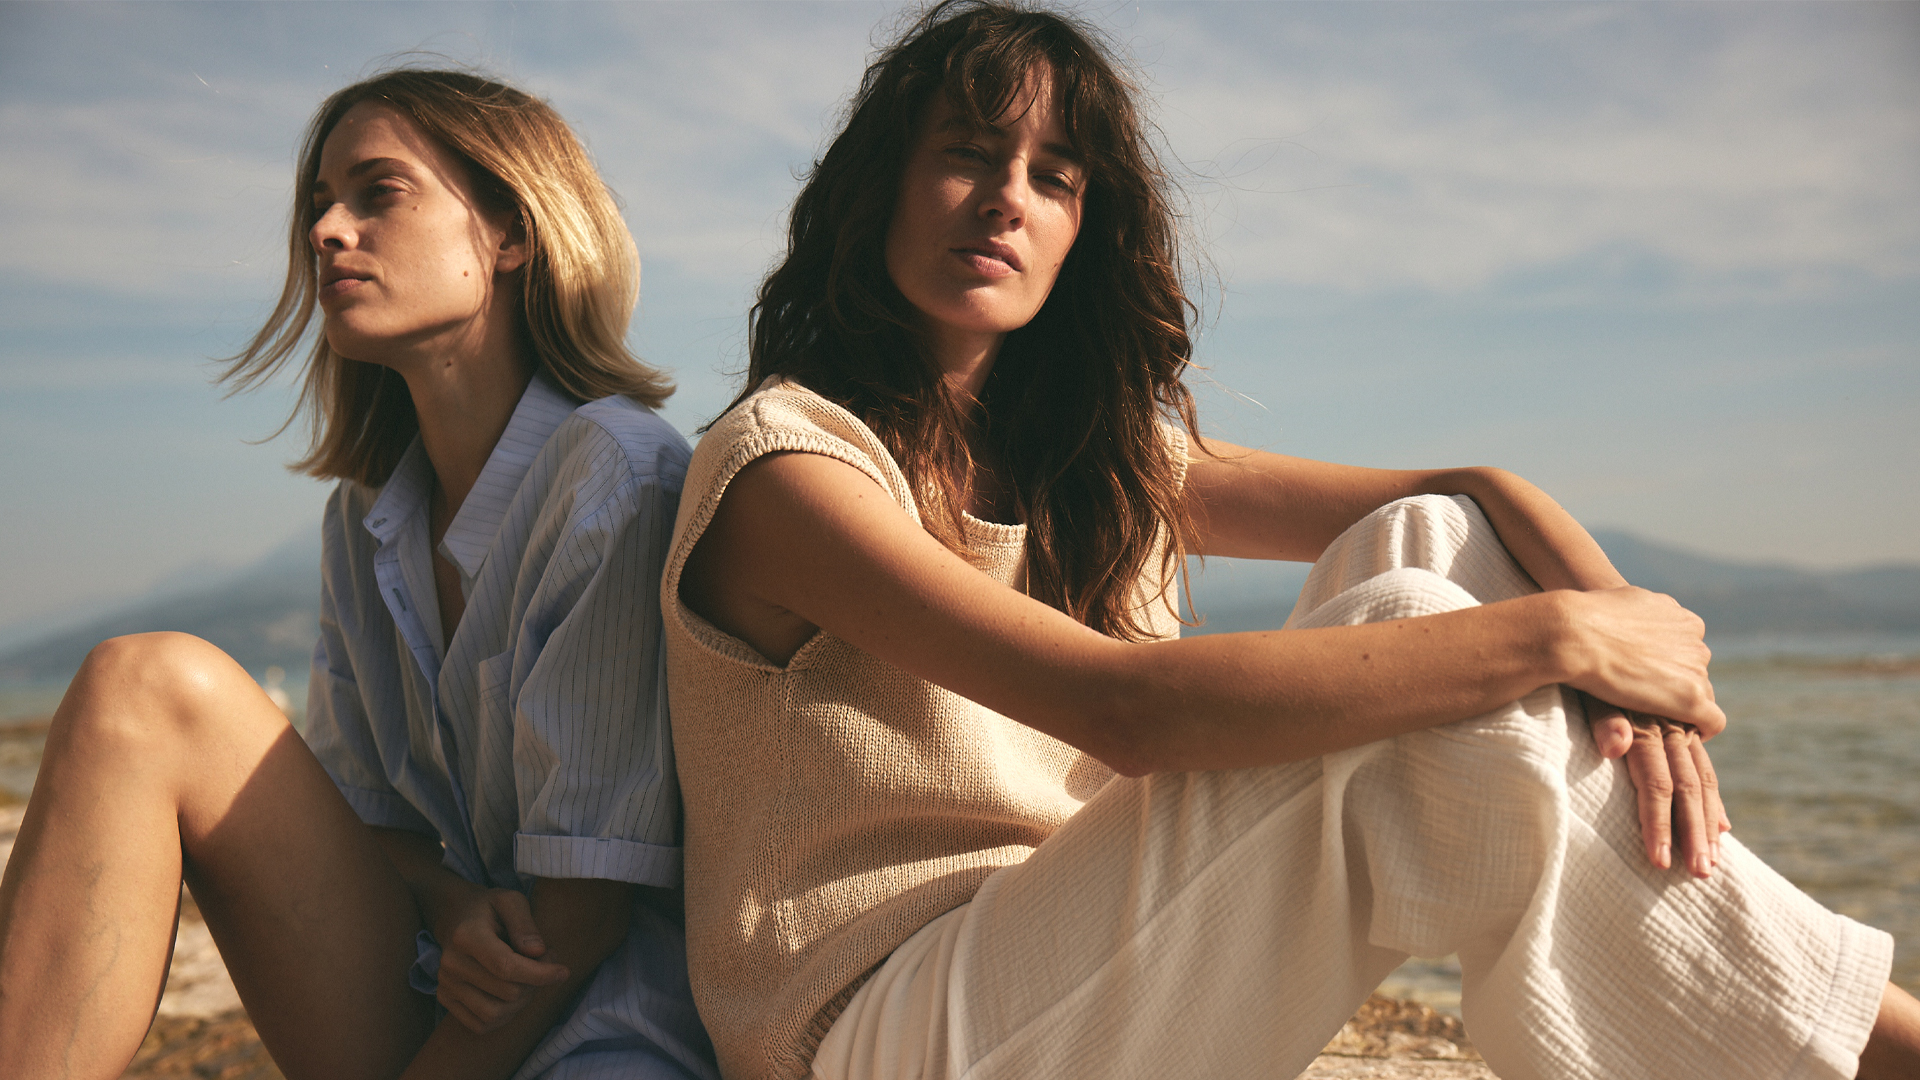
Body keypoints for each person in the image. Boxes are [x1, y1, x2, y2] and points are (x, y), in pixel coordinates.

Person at [661, 5, 1920, 1080]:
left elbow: (1462, 492)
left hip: (1083, 958)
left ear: (1082, 233)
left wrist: (1644, 685)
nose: (1005, 200)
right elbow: (1123, 711)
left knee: (1426, 542)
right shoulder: (790, 468)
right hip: (874, 1031)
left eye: (1054, 179)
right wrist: (1561, 634)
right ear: (880, 185)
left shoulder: (1088, 462)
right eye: (967, 156)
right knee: (1426, 637)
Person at [0, 70, 717, 1080]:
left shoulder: (615, 475)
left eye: (378, 192)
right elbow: (367, 821)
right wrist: (450, 900)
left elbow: (581, 922)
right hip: (423, 985)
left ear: (510, 231)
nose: (327, 230)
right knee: (141, 686)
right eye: (319, 205)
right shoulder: (368, 518)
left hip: (604, 1030)